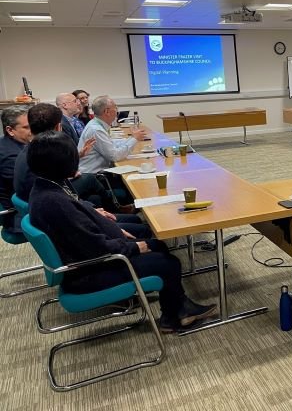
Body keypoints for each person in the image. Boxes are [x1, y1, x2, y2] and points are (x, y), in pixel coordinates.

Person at [27, 130, 218, 332]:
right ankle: (172, 318)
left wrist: (111, 227)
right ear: (62, 163)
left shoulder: (48, 186)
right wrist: (136, 247)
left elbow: (81, 218)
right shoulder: (54, 202)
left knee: (157, 244)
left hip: (87, 259)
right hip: (88, 272)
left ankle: (180, 309)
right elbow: (96, 248)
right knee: (168, 262)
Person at [14, 103, 145, 235]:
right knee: (89, 180)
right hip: (67, 218)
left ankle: (114, 207)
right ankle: (116, 207)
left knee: (95, 197)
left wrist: (89, 209)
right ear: (58, 126)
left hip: (54, 211)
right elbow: (63, 195)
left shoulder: (32, 151)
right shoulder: (45, 155)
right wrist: (91, 212)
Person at [78, 95, 147, 174]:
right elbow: (115, 156)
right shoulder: (96, 130)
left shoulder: (96, 124)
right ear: (107, 112)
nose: (117, 111)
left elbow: (111, 144)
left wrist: (132, 138)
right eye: (115, 108)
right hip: (94, 176)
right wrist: (134, 139)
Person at [0, 106, 31, 234]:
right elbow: (27, 189)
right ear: (10, 130)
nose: (32, 130)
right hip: (19, 214)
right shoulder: (11, 156)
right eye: (26, 127)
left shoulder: (14, 144)